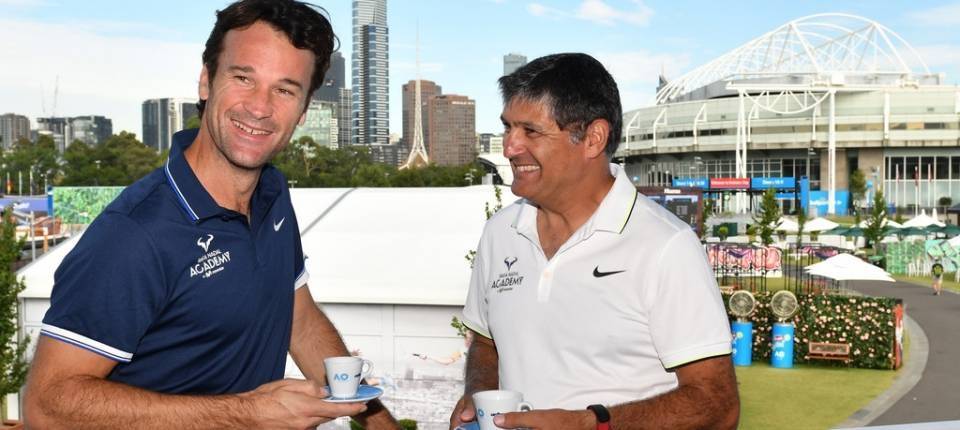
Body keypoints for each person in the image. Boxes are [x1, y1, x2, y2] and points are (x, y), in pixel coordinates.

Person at [23, 1, 398, 428]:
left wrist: (377, 420)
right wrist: (246, 415)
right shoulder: (135, 233)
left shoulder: (271, 193)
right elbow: (46, 406)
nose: (260, 107)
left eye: (285, 89)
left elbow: (299, 318)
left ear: (304, 110)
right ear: (206, 81)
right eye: (243, 78)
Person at [449, 53, 739, 430]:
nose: (509, 147)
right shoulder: (500, 232)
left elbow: (717, 405)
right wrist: (479, 391)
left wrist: (593, 423)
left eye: (530, 131)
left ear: (592, 138)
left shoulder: (666, 245)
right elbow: (486, 342)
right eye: (507, 128)